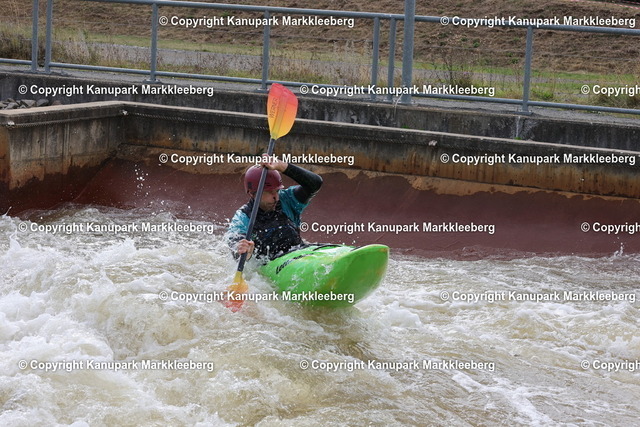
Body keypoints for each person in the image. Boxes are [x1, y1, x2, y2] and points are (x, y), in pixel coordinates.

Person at [226, 156, 322, 261]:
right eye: (270, 192)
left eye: (277, 191)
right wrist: (242, 251)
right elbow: (234, 242)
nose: (276, 197)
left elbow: (316, 183)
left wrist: (281, 166)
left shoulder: (287, 199)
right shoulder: (243, 217)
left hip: (300, 254)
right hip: (269, 264)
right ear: (252, 194)